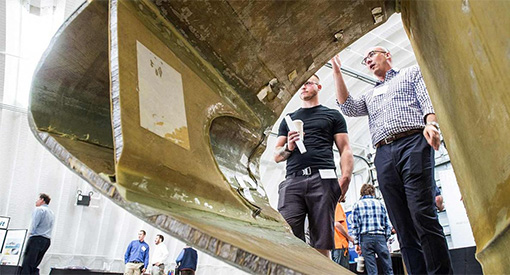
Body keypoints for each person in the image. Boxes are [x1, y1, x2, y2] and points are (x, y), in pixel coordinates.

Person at [331, 48, 453, 274]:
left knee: (421, 214)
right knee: (401, 224)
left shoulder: (410, 74)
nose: (367, 61)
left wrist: (431, 124)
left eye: (371, 55)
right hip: (384, 153)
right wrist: (337, 70)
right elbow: (348, 106)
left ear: (387, 54)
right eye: (365, 60)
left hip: (413, 143)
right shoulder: (369, 95)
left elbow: (427, 100)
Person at [274, 74, 354, 257]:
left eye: (308, 82)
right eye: (301, 84)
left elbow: (345, 149)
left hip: (323, 178)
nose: (303, 86)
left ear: (319, 87)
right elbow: (277, 156)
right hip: (293, 180)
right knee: (288, 233)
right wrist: (289, 146)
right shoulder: (289, 119)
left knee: (321, 239)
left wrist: (346, 177)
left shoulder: (332, 115)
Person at [351, 184, 393, 275]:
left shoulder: (357, 205)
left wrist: (357, 243)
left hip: (365, 239)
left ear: (361, 193)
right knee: (388, 268)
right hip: (380, 237)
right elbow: (387, 225)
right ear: (373, 192)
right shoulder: (380, 204)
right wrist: (384, 238)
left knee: (372, 271)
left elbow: (355, 226)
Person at [21, 193, 55, 275]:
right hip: (46, 240)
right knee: (34, 265)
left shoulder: (39, 210)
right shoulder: (51, 213)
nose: (36, 201)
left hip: (36, 239)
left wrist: (29, 235)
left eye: (38, 199)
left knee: (27, 264)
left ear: (42, 200)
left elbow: (34, 224)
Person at [332, 198, 354, 269]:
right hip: (340, 245)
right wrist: (349, 238)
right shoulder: (337, 205)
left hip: (335, 245)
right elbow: (337, 224)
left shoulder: (330, 206)